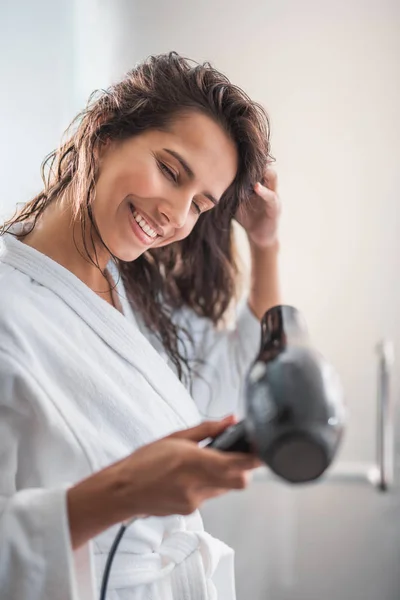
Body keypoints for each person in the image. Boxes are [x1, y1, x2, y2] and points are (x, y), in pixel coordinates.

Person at [0, 52, 281, 599]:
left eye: (200, 204)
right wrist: (124, 492)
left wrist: (265, 245)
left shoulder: (136, 296)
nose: (177, 216)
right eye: (171, 172)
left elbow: (238, 380)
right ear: (104, 133)